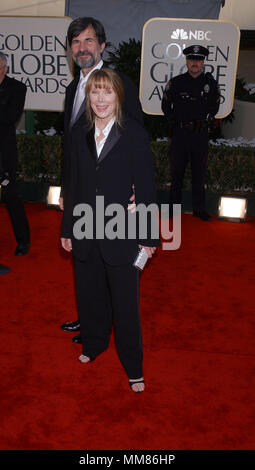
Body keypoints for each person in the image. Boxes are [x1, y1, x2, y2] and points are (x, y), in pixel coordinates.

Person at [61, 68, 159, 392]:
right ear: (88, 97)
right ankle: (93, 344)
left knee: (125, 304)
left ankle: (134, 366)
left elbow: (146, 187)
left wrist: (148, 237)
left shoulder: (133, 133)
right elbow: (73, 183)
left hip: (122, 231)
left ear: (119, 95)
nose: (101, 99)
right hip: (86, 230)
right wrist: (67, 228)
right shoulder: (79, 132)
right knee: (89, 296)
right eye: (94, 92)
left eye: (107, 92)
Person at [60, 17, 143, 341]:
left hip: (112, 194)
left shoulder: (119, 82)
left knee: (111, 259)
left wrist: (136, 185)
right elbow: (70, 147)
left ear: (102, 45)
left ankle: (107, 323)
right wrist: (66, 190)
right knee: (85, 260)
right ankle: (91, 320)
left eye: (89, 41)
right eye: (76, 42)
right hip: (80, 192)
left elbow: (136, 134)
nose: (82, 47)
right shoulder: (72, 88)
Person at [161, 45, 221, 221]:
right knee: (176, 173)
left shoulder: (210, 84)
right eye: (192, 59)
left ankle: (199, 210)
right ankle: (173, 210)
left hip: (200, 135)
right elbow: (165, 106)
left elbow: (214, 106)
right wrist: (176, 122)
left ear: (203, 62)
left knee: (199, 174)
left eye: (199, 59)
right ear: (187, 61)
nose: (195, 63)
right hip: (180, 134)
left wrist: (205, 121)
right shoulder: (176, 82)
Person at [0, 52, 30, 256]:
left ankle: (23, 241)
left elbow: (10, 117)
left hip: (4, 153)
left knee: (12, 197)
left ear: (5, 68)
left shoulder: (17, 88)